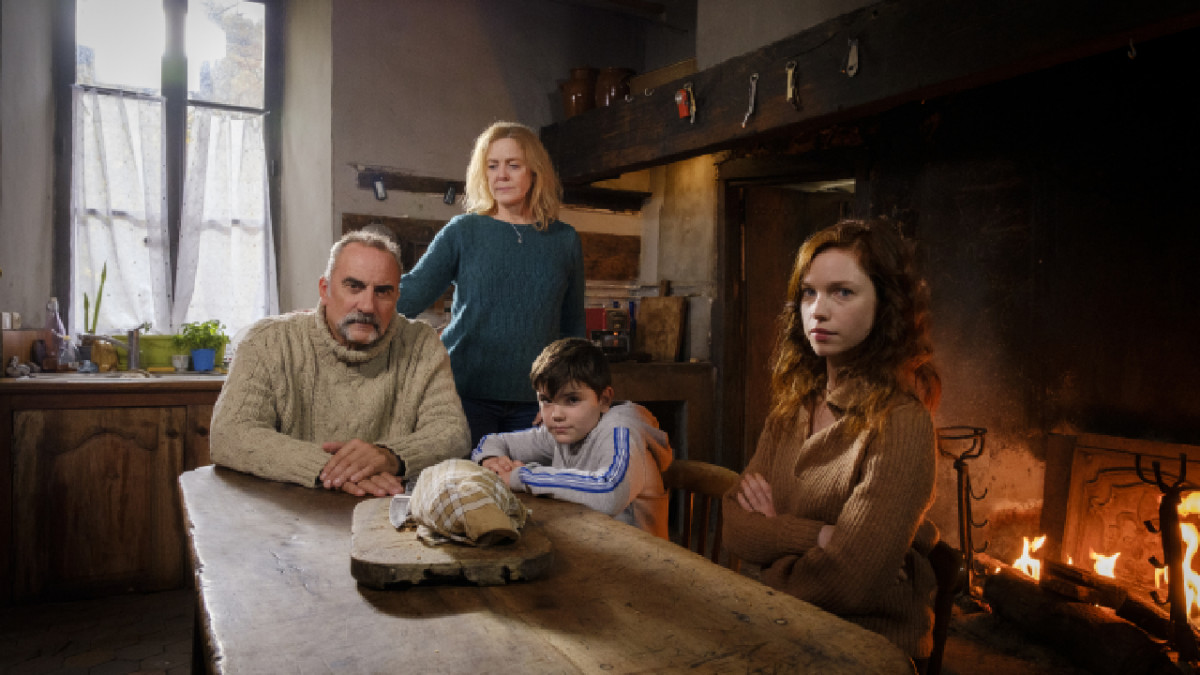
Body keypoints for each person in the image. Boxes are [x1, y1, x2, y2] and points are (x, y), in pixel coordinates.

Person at [722, 218, 943, 660]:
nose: (818, 311)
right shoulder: (793, 407)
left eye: (842, 292)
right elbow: (734, 527)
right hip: (777, 625)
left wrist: (770, 549)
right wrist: (819, 536)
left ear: (886, 305)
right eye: (809, 292)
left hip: (862, 650)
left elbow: (849, 583)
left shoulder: (901, 423)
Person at [210, 231, 471, 497]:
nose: (367, 306)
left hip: (386, 506)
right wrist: (331, 469)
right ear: (325, 289)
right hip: (284, 508)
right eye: (354, 287)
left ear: (396, 297)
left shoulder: (422, 343)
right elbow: (230, 433)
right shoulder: (267, 341)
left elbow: (452, 434)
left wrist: (389, 456)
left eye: (382, 292)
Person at [395, 122, 586, 449]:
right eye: (492, 166)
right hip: (464, 395)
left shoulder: (564, 240)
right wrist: (345, 306)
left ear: (535, 171)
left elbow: (572, 328)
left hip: (536, 404)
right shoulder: (463, 231)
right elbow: (411, 293)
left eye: (513, 165)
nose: (502, 175)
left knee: (525, 483)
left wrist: (564, 396)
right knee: (466, 480)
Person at [473, 337, 673, 538]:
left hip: (636, 555)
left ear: (604, 400)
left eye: (572, 400)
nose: (556, 414)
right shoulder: (561, 432)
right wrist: (492, 460)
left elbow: (611, 493)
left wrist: (522, 476)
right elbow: (494, 441)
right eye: (546, 400)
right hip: (589, 545)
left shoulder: (621, 430)